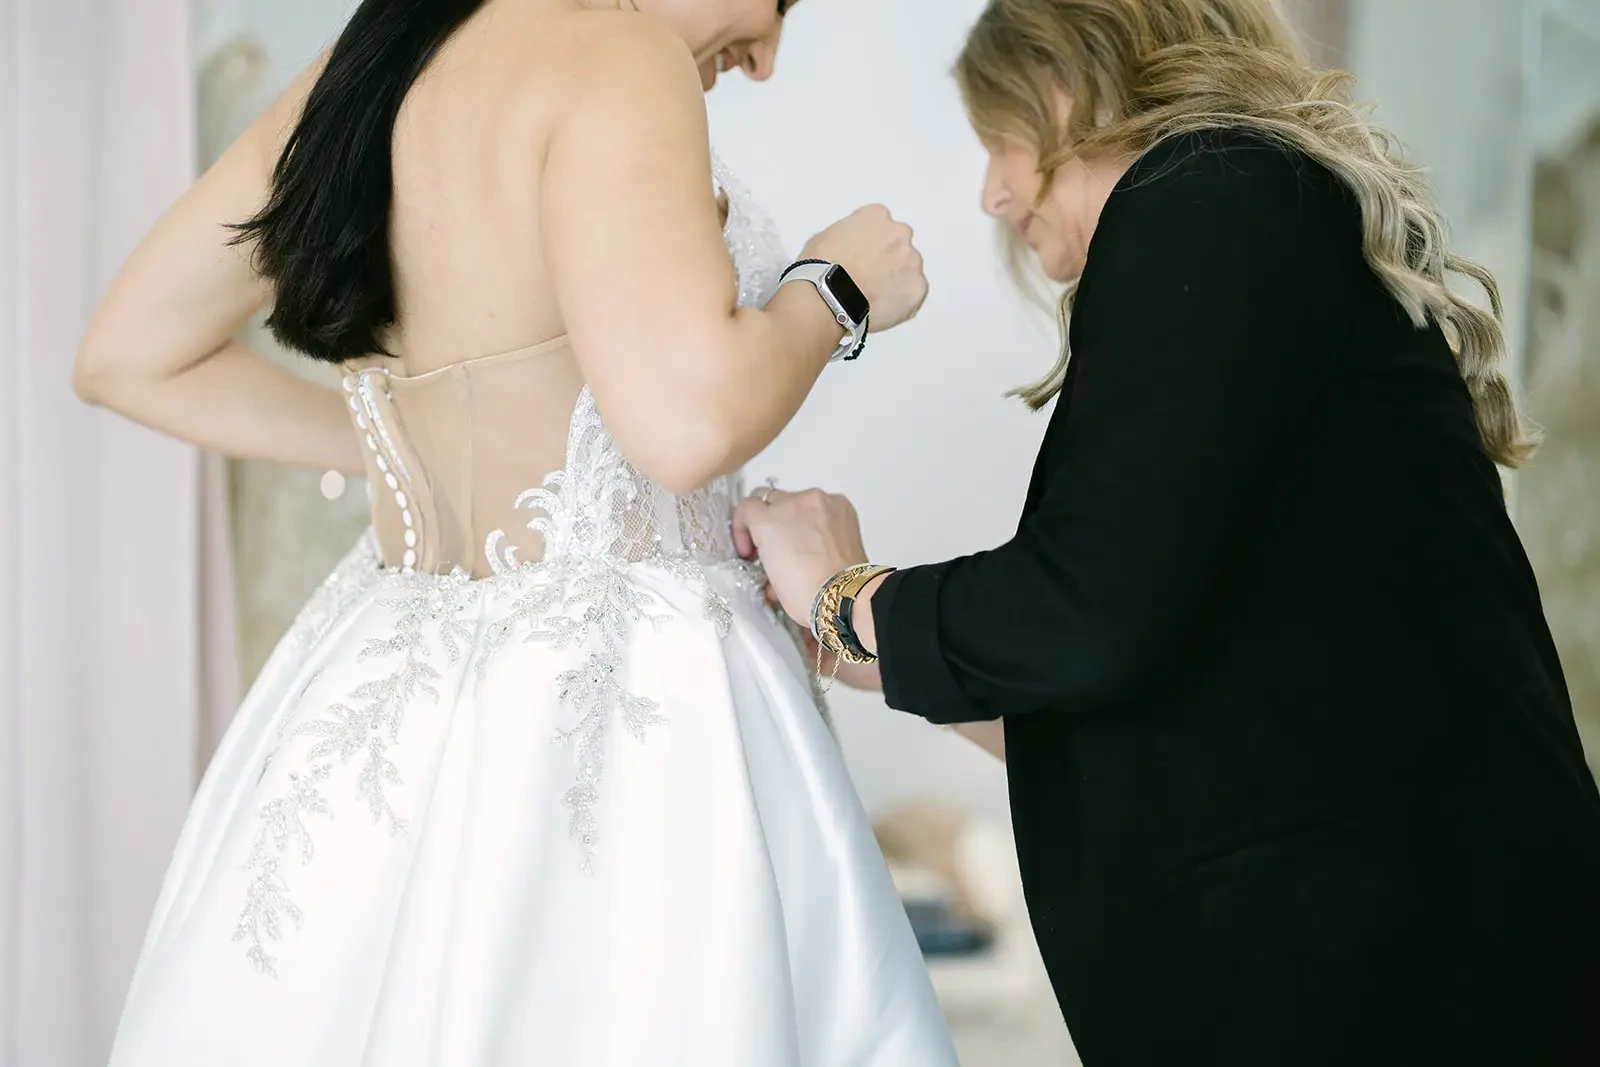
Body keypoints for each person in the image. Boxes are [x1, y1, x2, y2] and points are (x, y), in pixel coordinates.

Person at [75, 0, 960, 1063]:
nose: (767, 56)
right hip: (623, 699)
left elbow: (127, 353)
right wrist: (833, 290)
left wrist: (400, 433)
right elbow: (685, 425)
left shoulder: (373, 65)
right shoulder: (616, 51)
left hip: (380, 674)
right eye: (778, 3)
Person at [738, 0, 1600, 1063]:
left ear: (1071, 83)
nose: (994, 190)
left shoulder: (1211, 195)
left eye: (1000, 135)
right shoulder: (1252, 216)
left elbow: (1089, 610)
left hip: (1392, 967)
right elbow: (1167, 685)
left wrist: (853, 593)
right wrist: (880, 651)